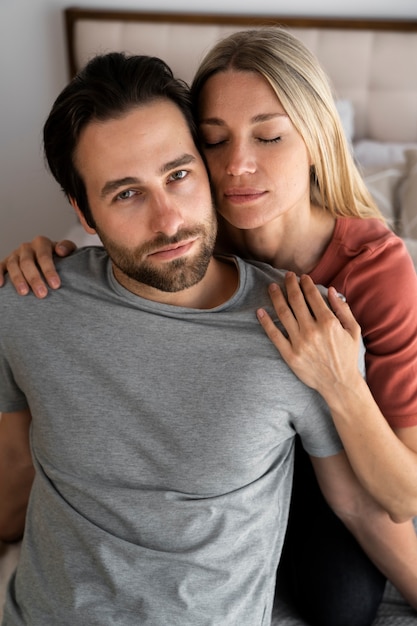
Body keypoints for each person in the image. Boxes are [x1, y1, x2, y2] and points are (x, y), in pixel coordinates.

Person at [2, 29, 417, 624]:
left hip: (337, 443)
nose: (239, 168)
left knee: (342, 600)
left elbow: (388, 498)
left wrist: (341, 383)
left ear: (317, 138)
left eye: (270, 136)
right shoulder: (176, 236)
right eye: (214, 143)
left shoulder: (360, 279)